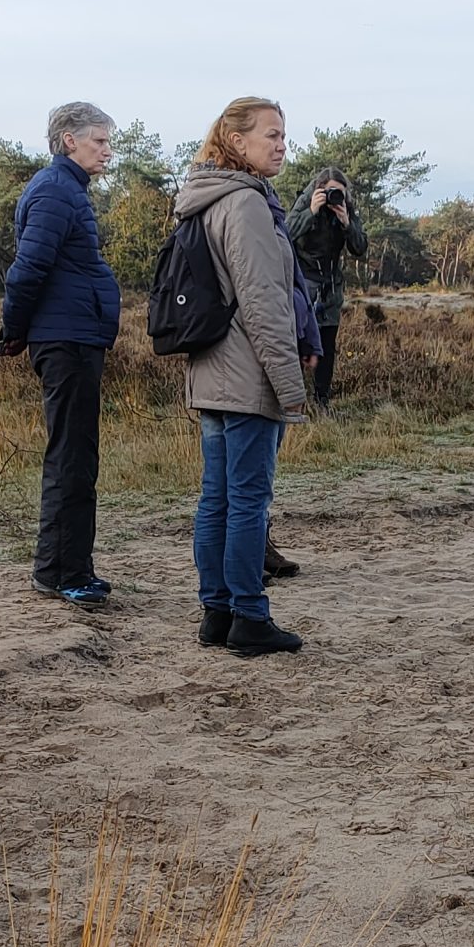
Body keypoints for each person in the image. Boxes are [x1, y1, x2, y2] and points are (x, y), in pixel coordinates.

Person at [175, 96, 308, 657]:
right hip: (247, 373)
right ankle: (250, 617)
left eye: (284, 135)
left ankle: (217, 612)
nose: (282, 144)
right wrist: (290, 387)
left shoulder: (200, 200)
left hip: (209, 370)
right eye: (272, 134)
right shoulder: (247, 204)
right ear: (236, 141)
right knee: (248, 500)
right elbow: (263, 304)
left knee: (219, 498)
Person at [0, 101, 120, 606]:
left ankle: (56, 568)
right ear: (69, 139)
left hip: (73, 335)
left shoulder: (67, 191)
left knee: (73, 454)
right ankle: (70, 573)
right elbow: (26, 270)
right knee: (72, 458)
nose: (108, 152)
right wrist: (14, 329)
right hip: (66, 340)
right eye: (100, 141)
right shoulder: (54, 191)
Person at [287, 165, 368, 407]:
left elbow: (360, 248)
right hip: (304, 283)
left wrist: (346, 223)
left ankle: (322, 401)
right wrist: (312, 210)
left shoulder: (346, 209)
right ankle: (294, 400)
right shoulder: (306, 202)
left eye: (340, 192)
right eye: (330, 191)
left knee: (327, 345)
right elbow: (286, 232)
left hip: (331, 286)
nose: (335, 197)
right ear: (319, 189)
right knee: (298, 342)